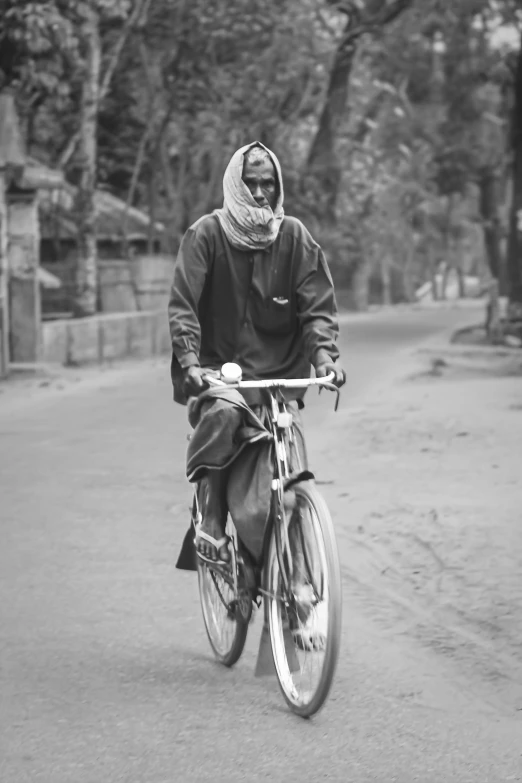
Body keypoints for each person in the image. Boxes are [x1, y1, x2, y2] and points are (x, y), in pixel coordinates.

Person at [168, 141, 345, 566]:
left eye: (269, 183)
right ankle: (210, 518)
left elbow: (316, 308)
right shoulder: (205, 234)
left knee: (290, 455)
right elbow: (183, 306)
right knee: (226, 414)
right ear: (235, 184)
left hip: (278, 378)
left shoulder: (295, 238)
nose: (261, 193)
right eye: (252, 183)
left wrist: (325, 357)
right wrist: (191, 362)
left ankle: (292, 570)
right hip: (219, 375)